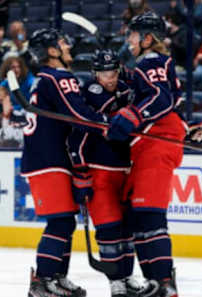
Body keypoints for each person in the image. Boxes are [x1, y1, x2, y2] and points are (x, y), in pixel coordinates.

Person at [106, 12, 202, 297]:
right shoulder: (146, 63)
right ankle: (155, 283)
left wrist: (134, 114)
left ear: (148, 38)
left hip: (156, 145)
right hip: (150, 145)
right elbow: (165, 99)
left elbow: (160, 98)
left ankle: (164, 283)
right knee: (140, 218)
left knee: (150, 217)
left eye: (133, 34)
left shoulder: (151, 61)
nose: (129, 39)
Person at [21, 28, 112, 297]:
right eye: (62, 43)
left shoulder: (45, 78)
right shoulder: (57, 76)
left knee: (65, 222)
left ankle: (57, 278)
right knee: (59, 224)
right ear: (51, 51)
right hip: (49, 161)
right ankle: (42, 282)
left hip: (49, 159)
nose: (68, 46)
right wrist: (107, 124)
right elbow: (76, 114)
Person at [68, 49, 152, 297]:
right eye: (105, 73)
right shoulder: (90, 95)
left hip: (126, 170)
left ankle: (127, 274)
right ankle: (115, 279)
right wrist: (80, 172)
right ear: (95, 74)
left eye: (113, 72)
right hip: (100, 172)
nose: (110, 77)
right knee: (108, 229)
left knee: (127, 228)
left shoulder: (124, 88)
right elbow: (77, 139)